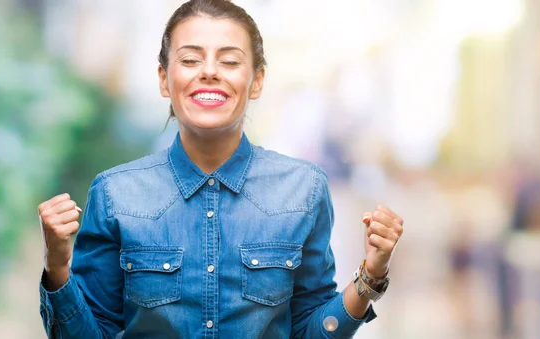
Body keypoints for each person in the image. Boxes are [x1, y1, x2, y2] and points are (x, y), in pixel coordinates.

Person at [37, 1, 404, 338]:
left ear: (256, 81)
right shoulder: (115, 194)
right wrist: (57, 267)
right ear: (165, 79)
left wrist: (370, 276)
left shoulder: (303, 189)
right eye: (191, 60)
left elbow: (309, 329)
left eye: (229, 61)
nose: (210, 72)